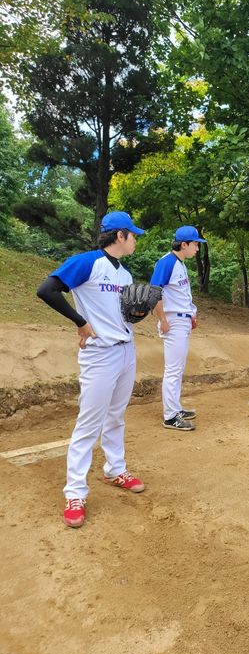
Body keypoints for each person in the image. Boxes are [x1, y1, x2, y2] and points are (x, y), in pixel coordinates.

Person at [36, 211, 146, 528]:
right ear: (120, 236)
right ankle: (74, 492)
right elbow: (46, 290)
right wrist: (81, 322)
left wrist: (136, 313)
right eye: (133, 234)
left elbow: (123, 314)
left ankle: (115, 469)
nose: (136, 239)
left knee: (116, 416)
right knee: (88, 424)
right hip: (99, 355)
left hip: (126, 351)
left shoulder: (124, 274)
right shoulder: (88, 262)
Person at [150, 225, 206, 431]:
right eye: (195, 245)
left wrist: (192, 313)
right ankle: (170, 416)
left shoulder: (179, 263)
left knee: (178, 368)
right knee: (173, 369)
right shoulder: (167, 262)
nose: (197, 249)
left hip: (181, 320)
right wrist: (163, 319)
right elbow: (154, 292)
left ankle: (175, 408)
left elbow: (181, 294)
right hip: (173, 321)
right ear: (184, 244)